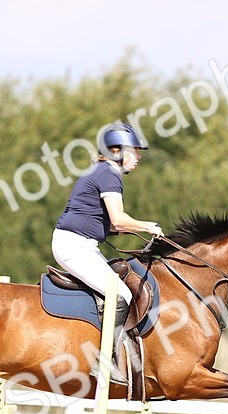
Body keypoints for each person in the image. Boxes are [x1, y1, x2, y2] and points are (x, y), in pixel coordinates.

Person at [53, 121, 163, 382]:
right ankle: (105, 361)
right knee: (121, 293)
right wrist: (148, 227)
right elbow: (119, 219)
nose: (138, 156)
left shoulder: (104, 171)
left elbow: (111, 225)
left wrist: (131, 230)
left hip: (81, 244)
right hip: (74, 245)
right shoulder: (109, 174)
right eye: (134, 150)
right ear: (116, 151)